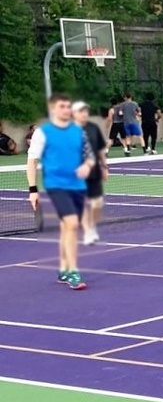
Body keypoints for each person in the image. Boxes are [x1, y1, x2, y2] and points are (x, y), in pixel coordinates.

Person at [26, 93, 96, 290]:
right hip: (56, 186)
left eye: (68, 106)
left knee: (68, 227)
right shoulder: (42, 133)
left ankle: (64, 269)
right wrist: (33, 189)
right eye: (62, 106)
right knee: (73, 223)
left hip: (77, 186)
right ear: (53, 109)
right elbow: (32, 162)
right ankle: (73, 271)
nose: (66, 110)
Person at [72, 101, 109, 245]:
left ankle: (92, 225)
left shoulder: (93, 128)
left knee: (97, 203)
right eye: (81, 111)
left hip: (94, 172)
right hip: (76, 173)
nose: (85, 114)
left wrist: (105, 167)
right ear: (74, 114)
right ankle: (87, 231)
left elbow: (100, 149)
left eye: (86, 111)